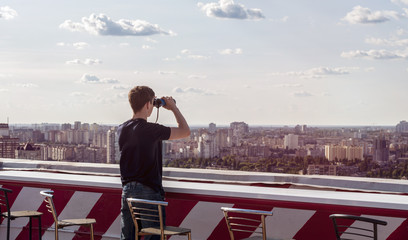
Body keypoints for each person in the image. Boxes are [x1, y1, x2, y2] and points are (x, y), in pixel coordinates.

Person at [118, 86, 190, 240]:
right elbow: (185, 131)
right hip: (148, 191)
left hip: (127, 191)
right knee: (153, 236)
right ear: (148, 105)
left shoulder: (121, 129)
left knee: (128, 237)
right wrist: (173, 108)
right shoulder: (151, 130)